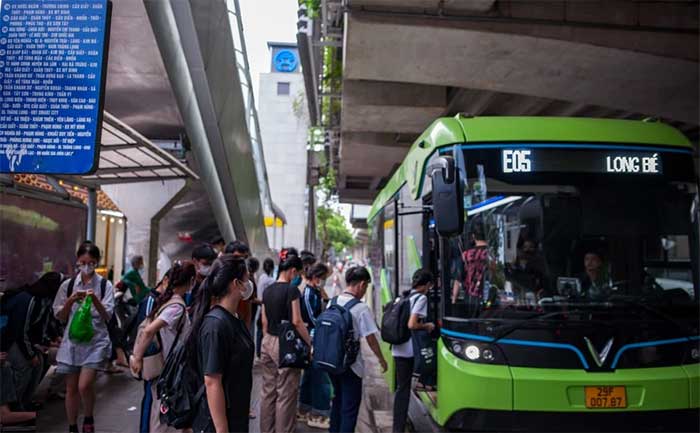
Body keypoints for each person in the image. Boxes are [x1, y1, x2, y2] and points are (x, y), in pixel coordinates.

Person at [52, 242, 114, 433]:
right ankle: (72, 426)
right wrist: (70, 301)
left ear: (97, 263)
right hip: (73, 343)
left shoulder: (105, 285)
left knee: (84, 385)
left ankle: (88, 416)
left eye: (91, 263)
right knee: (71, 388)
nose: (86, 266)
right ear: (77, 262)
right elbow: (60, 316)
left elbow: (107, 316)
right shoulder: (68, 285)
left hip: (96, 342)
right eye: (82, 262)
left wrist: (94, 298)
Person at [190, 255, 254, 433]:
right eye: (247, 278)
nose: (250, 283)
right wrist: (221, 429)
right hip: (219, 423)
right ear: (236, 283)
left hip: (235, 415)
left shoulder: (232, 318)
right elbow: (212, 382)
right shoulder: (215, 325)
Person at [131, 261, 194, 433]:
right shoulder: (176, 306)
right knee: (162, 419)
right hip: (168, 370)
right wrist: (137, 357)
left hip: (164, 369)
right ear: (190, 282)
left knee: (161, 415)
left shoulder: (167, 300)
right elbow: (149, 331)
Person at [329, 267, 388, 433]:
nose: (365, 290)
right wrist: (381, 359)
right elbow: (371, 339)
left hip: (332, 363)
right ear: (362, 284)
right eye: (366, 286)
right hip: (351, 366)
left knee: (337, 403)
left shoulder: (332, 302)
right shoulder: (361, 308)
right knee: (349, 409)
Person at [260, 253, 311, 433]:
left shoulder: (267, 290)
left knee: (268, 393)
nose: (298, 278)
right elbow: (297, 321)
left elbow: (264, 322)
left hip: (267, 342)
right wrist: (309, 342)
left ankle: (267, 430)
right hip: (285, 344)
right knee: (286, 395)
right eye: (298, 274)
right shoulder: (292, 291)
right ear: (292, 271)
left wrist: (268, 340)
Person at [0, 272, 64, 412]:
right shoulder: (28, 300)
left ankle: (24, 401)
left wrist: (46, 342)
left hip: (18, 338)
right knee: (25, 364)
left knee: (39, 362)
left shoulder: (45, 299)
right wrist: (30, 354)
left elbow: (42, 325)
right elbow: (19, 331)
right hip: (7, 339)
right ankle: (12, 405)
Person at [392, 269, 435, 433]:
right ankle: (398, 428)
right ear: (427, 285)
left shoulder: (404, 295)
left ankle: (398, 426)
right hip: (409, 351)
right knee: (404, 390)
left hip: (397, 348)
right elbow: (412, 324)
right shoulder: (421, 297)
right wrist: (427, 326)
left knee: (401, 388)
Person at [134, 270, 170, 433]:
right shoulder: (151, 300)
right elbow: (145, 331)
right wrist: (141, 358)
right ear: (165, 280)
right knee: (150, 396)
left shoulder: (165, 300)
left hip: (158, 359)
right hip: (152, 359)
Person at [297, 262, 332, 429]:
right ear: (316, 277)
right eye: (323, 279)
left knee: (310, 376)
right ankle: (319, 413)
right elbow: (312, 318)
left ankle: (304, 408)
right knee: (321, 378)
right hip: (313, 339)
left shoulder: (315, 291)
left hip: (313, 338)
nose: (324, 282)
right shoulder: (308, 293)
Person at [255, 258, 276, 357]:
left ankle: (259, 352)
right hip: (268, 309)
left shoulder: (261, 277)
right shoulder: (272, 281)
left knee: (259, 332)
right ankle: (266, 352)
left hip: (259, 309)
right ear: (272, 268)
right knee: (266, 332)